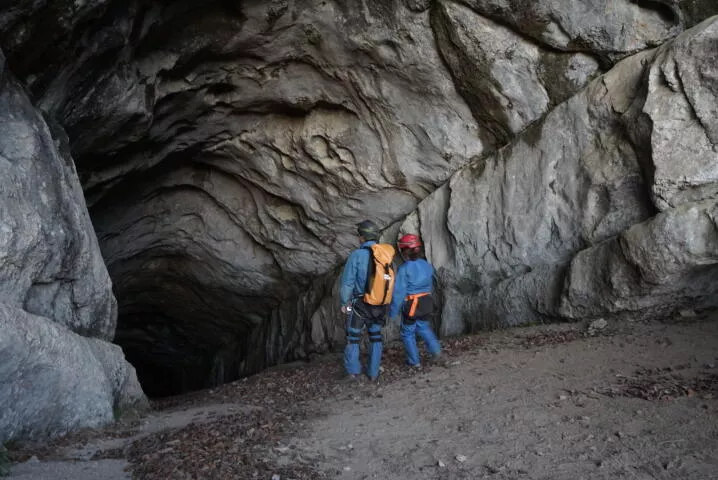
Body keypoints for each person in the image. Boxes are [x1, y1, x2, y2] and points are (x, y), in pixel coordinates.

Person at [339, 220, 390, 382]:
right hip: (379, 304)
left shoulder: (357, 255)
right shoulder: (385, 255)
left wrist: (344, 302)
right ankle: (373, 372)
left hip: (360, 304)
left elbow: (348, 281)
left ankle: (353, 372)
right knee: (375, 336)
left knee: (353, 337)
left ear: (362, 237)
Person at [389, 233, 443, 368]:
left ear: (404, 251)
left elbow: (399, 293)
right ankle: (437, 352)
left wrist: (392, 311)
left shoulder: (404, 269)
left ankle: (414, 362)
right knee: (424, 327)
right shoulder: (426, 265)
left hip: (412, 304)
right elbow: (430, 284)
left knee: (407, 333)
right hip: (426, 301)